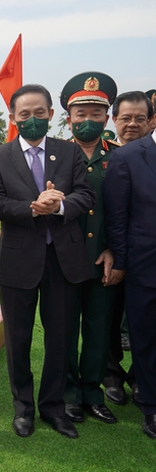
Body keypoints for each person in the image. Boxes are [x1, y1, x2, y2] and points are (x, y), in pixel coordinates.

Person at [0, 84, 95, 439]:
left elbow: (85, 194)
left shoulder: (69, 151)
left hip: (63, 260)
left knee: (61, 338)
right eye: (24, 114)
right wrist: (33, 207)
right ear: (13, 118)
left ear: (51, 114)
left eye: (39, 112)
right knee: (18, 340)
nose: (32, 119)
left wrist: (59, 205)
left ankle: (53, 407)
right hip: (18, 261)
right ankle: (23, 408)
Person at [58, 72, 120, 425]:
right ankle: (68, 395)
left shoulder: (121, 157)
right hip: (64, 259)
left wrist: (113, 249)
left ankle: (93, 393)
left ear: (106, 117)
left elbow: (124, 210)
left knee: (98, 329)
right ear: (69, 118)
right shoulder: (56, 155)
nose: (87, 120)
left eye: (96, 114)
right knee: (64, 329)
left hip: (102, 259)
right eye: (80, 114)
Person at [103, 119, 156, 439]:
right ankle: (150, 407)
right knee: (146, 341)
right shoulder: (130, 156)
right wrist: (121, 263)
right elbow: (118, 218)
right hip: (145, 268)